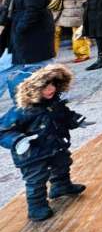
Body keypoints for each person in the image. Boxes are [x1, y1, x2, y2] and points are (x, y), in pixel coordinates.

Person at [0, 64, 87, 221]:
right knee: (36, 180)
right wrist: (17, 140)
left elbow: (64, 115)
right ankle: (36, 206)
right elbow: (3, 130)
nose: (51, 89)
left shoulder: (53, 103)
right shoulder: (21, 111)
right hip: (32, 154)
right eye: (44, 87)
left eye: (52, 84)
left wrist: (75, 120)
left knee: (62, 164)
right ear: (29, 91)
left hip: (55, 145)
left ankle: (61, 186)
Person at [0, 0, 56, 99]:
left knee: (41, 66)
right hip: (21, 31)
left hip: (32, 31)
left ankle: (51, 98)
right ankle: (24, 99)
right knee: (14, 66)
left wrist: (20, 28)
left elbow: (34, 8)